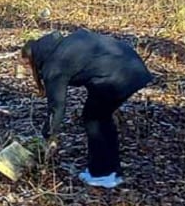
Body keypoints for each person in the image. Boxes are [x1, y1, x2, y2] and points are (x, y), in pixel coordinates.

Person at [20, 28, 153, 188]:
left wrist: (47, 135)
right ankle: (113, 172)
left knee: (94, 120)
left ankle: (102, 174)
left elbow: (57, 106)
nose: (28, 69)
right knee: (102, 118)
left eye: (27, 64)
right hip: (134, 67)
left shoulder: (54, 65)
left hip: (119, 76)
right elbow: (94, 66)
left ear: (34, 58)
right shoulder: (67, 43)